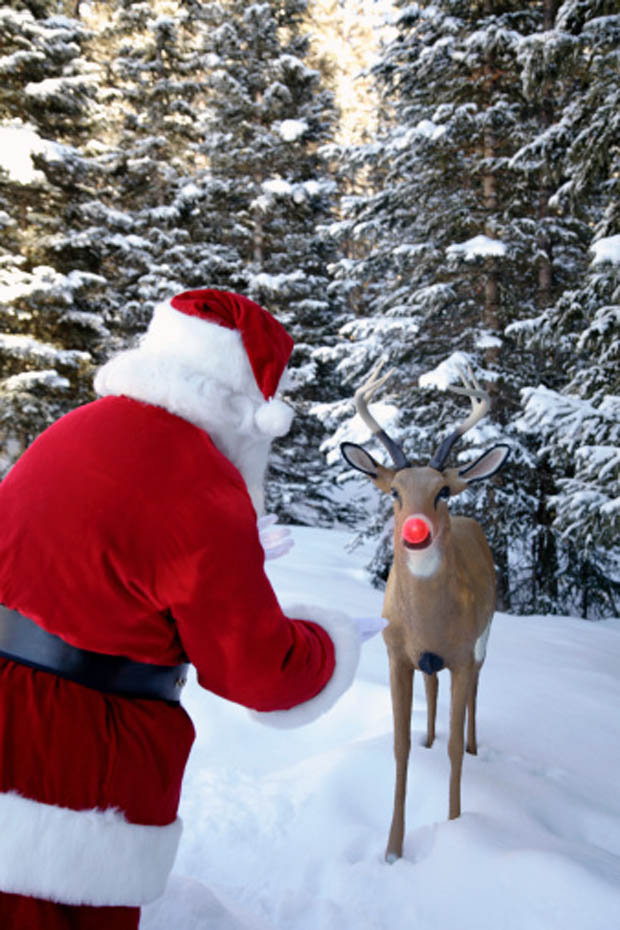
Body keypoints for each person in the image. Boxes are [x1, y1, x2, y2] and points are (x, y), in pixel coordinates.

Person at [0, 289, 383, 929]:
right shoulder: (202, 483)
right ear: (251, 406)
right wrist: (330, 639)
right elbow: (260, 671)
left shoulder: (74, 429)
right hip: (77, 757)